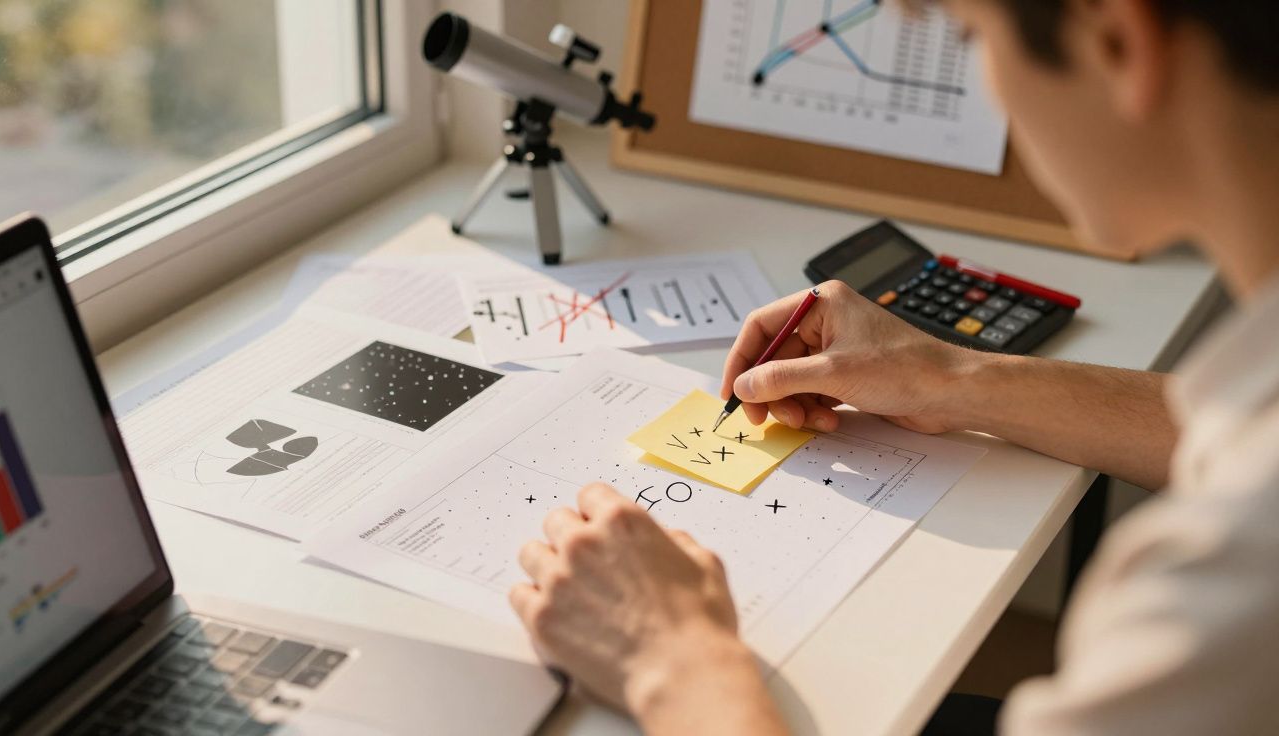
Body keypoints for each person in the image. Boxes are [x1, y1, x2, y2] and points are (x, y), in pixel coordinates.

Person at [508, 0, 1279, 733]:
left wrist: (673, 662)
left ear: (1117, 40)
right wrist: (953, 379)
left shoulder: (1224, 582)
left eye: (976, 39)